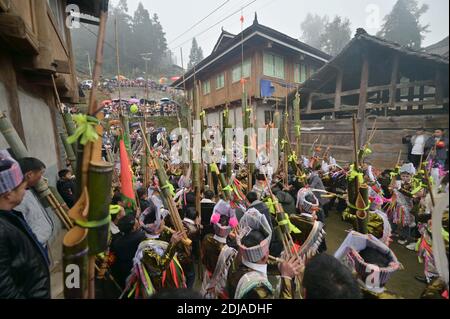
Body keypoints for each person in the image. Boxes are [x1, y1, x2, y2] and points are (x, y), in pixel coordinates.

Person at [0, 151, 50, 298]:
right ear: (8, 194)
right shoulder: (3, 229)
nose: (25, 191)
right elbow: (5, 289)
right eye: (22, 187)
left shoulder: (9, 218)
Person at [227, 208, 302, 299]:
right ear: (266, 255)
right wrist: (287, 278)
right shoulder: (259, 288)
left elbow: (260, 264)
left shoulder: (234, 264)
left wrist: (279, 266)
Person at [201, 201, 238, 299]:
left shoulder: (206, 238)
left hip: (207, 277)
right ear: (230, 230)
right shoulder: (231, 250)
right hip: (220, 283)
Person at [14, 157, 54, 248]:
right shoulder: (17, 198)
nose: (42, 178)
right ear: (30, 175)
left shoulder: (30, 189)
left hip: (40, 244)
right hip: (34, 247)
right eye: (41, 173)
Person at [110, 214, 146, 289]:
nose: (139, 223)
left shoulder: (116, 241)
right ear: (133, 228)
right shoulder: (141, 237)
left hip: (124, 272)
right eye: (137, 223)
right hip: (137, 273)